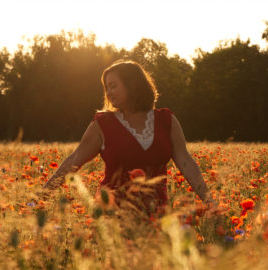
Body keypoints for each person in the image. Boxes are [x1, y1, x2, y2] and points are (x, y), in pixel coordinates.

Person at [43, 60, 213, 215]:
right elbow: (74, 160)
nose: (108, 92)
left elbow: (186, 163)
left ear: (132, 85)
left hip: (157, 213)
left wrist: (210, 202)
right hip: (113, 215)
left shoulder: (166, 120)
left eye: (113, 86)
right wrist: (41, 197)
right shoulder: (103, 124)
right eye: (106, 88)